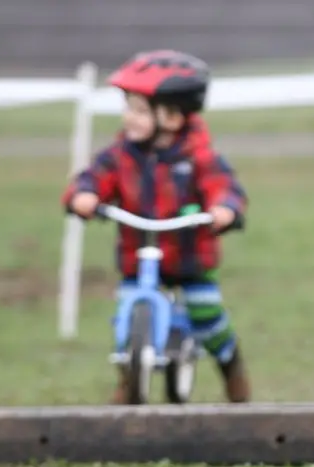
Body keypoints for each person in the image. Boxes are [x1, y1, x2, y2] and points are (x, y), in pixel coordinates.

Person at [62, 50, 252, 404]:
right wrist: (84, 195)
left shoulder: (199, 157)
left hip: (189, 261)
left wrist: (225, 208)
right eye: (128, 108)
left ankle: (232, 369)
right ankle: (128, 376)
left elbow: (223, 186)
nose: (127, 118)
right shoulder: (120, 156)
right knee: (125, 316)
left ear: (172, 116)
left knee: (208, 317)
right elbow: (93, 178)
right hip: (139, 259)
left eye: (138, 110)